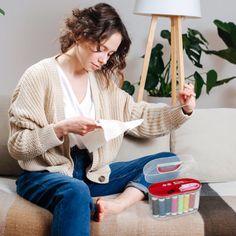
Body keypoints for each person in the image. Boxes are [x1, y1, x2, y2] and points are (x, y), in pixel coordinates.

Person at [8, 3, 196, 236]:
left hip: (90, 172)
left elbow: (139, 115)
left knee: (168, 160)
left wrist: (183, 109)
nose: (104, 60)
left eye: (110, 53)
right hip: (45, 174)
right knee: (76, 191)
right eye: (100, 48)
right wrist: (60, 129)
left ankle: (118, 204)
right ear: (79, 34)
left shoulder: (103, 83)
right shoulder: (38, 76)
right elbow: (18, 145)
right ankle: (82, 198)